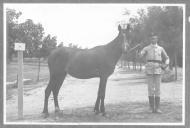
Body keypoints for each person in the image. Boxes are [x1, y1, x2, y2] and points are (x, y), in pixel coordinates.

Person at [139, 33, 169, 113]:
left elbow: (166, 58)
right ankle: (151, 108)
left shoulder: (161, 48)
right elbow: (141, 54)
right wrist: (140, 53)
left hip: (158, 70)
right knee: (150, 89)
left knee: (158, 89)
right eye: (152, 38)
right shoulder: (146, 48)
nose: (153, 40)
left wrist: (166, 64)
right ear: (150, 39)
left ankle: (158, 108)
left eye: (155, 38)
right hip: (149, 70)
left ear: (157, 39)